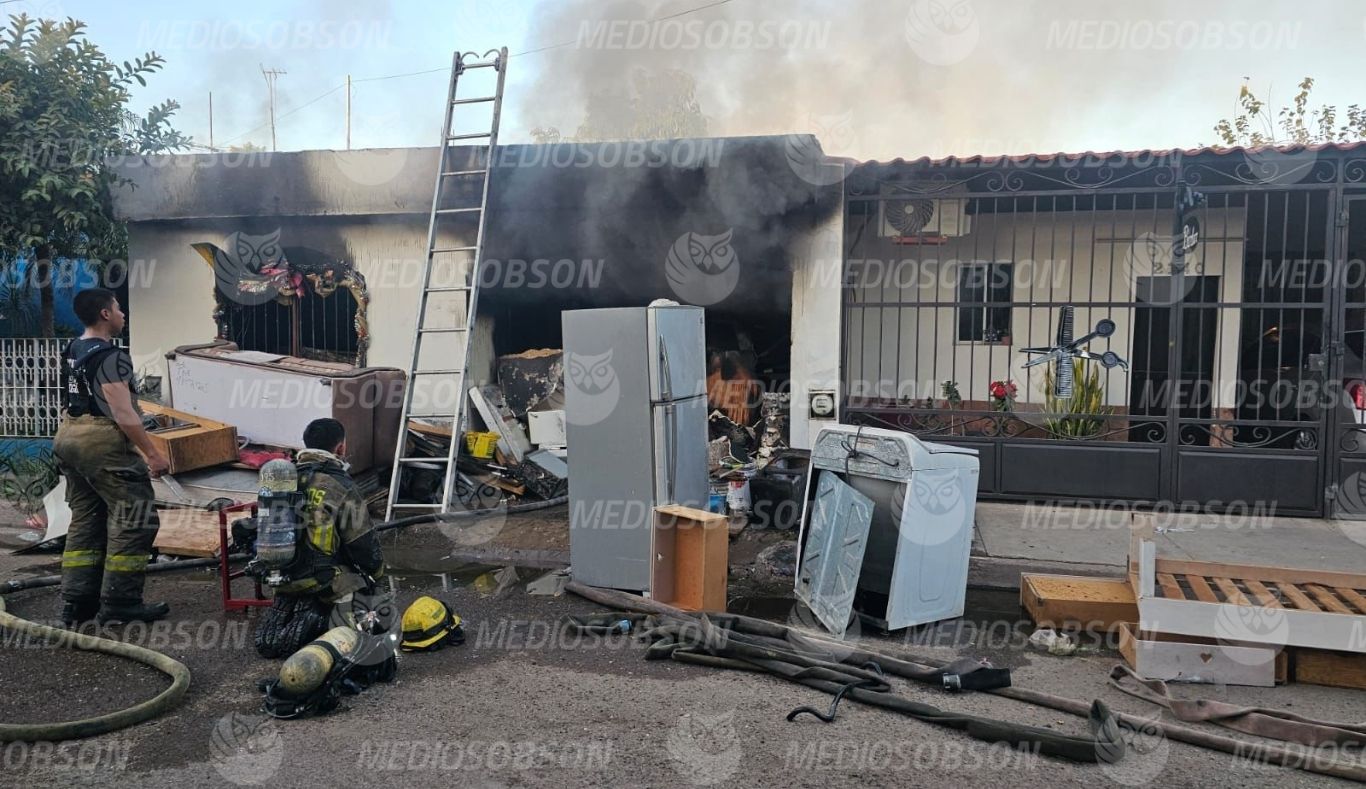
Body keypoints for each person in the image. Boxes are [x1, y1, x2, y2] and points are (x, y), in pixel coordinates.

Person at [54, 288, 170, 626]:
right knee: (135, 520)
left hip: (69, 436)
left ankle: (77, 603)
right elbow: (122, 412)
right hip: (101, 442)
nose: (123, 314)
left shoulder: (74, 349)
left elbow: (70, 400)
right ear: (105, 314)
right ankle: (121, 603)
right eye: (118, 308)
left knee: (87, 520)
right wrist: (152, 453)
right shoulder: (110, 356)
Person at [255, 418, 386, 657]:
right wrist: (377, 575)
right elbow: (363, 544)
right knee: (367, 606)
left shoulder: (283, 478)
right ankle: (331, 628)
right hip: (323, 580)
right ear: (340, 448)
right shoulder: (339, 484)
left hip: (280, 576)